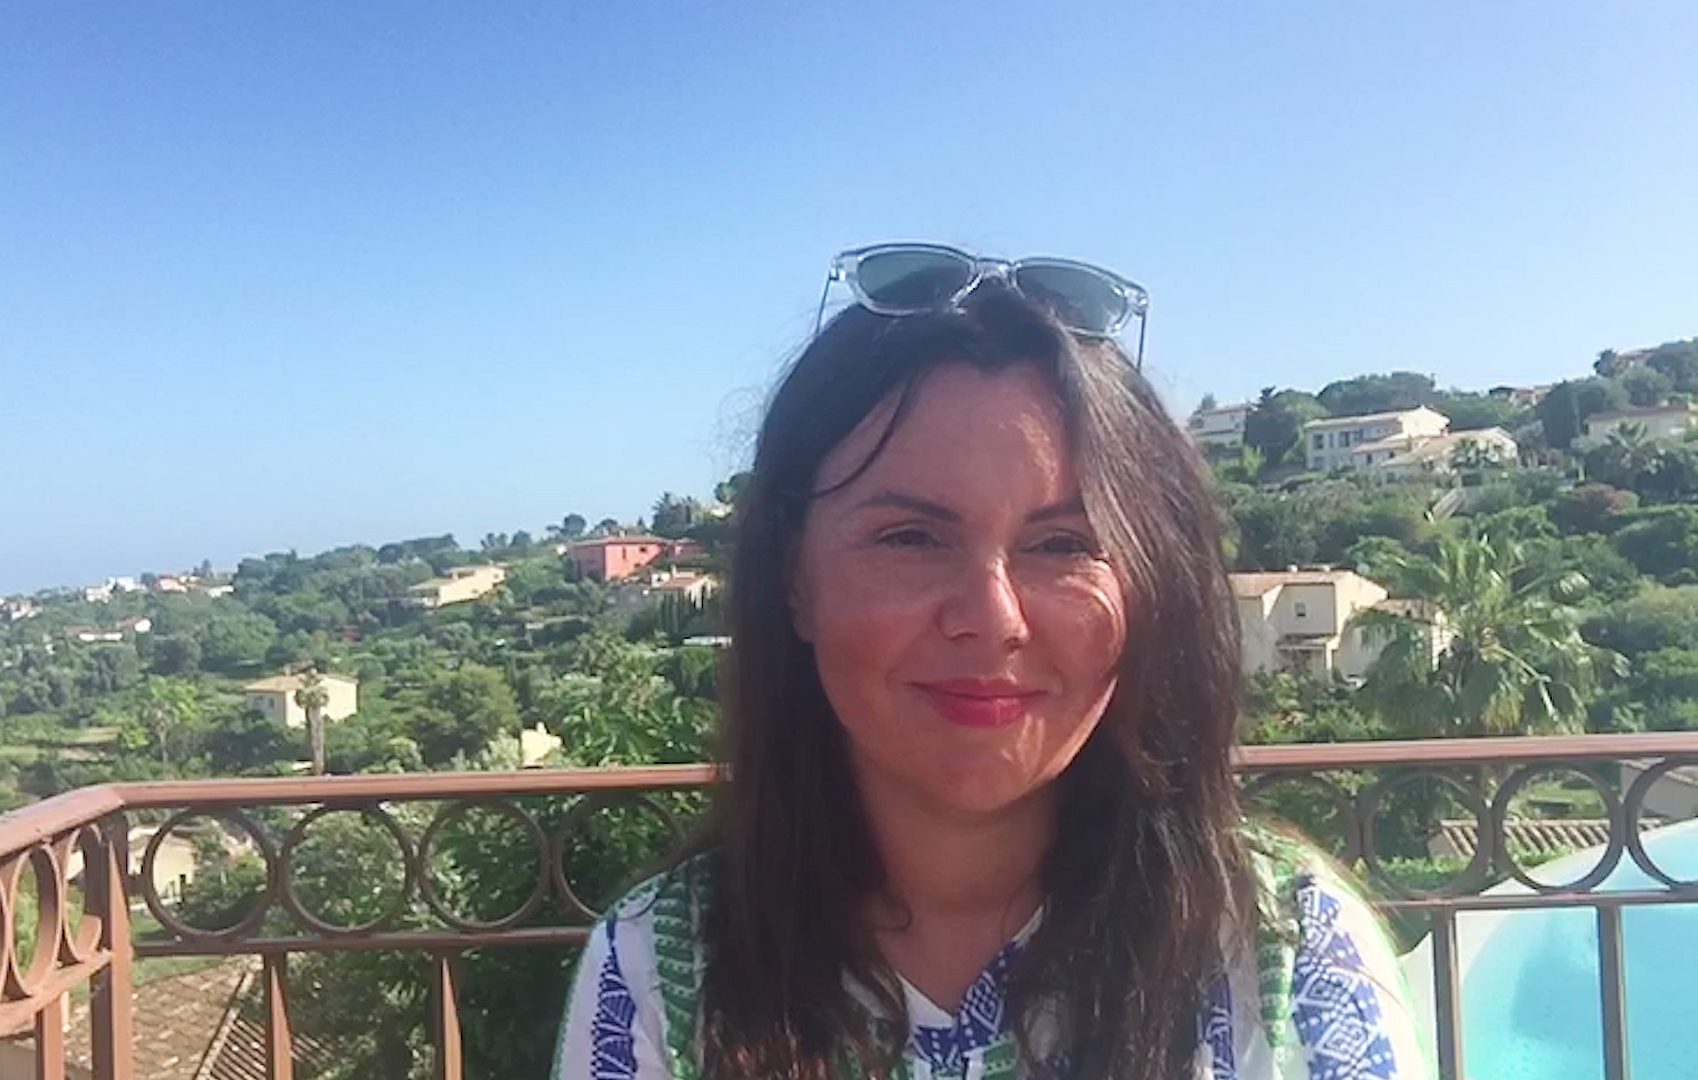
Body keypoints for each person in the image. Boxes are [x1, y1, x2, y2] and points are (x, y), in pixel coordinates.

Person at [553, 244, 1428, 1080]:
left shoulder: (1289, 956)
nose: (994, 618)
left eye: (1064, 544)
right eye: (912, 537)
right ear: (794, 580)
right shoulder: (661, 969)